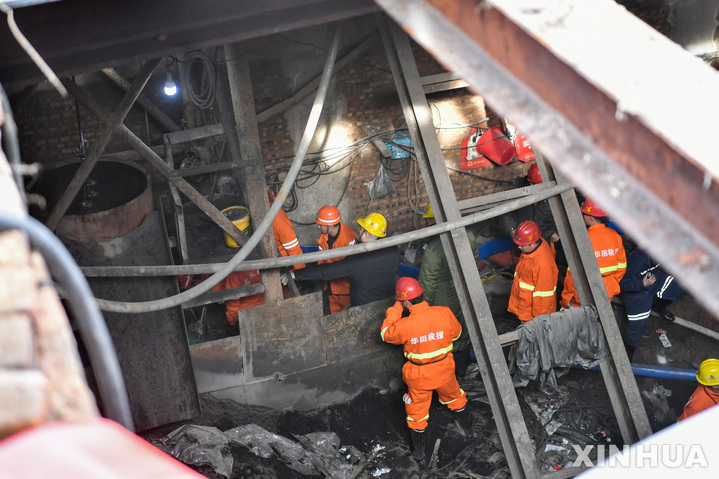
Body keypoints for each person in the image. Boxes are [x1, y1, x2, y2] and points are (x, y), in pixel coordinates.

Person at [380, 277, 472, 462]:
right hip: (445, 370)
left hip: (420, 376)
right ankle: (468, 431)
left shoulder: (405, 325)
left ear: (405, 301)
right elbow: (457, 333)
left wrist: (395, 309)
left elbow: (385, 334)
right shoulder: (444, 312)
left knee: (417, 414)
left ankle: (419, 454)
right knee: (456, 397)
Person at [417, 204, 478, 376]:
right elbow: (473, 260)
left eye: (428, 219)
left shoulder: (434, 249)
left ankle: (447, 374)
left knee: (445, 330)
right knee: (462, 326)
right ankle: (461, 370)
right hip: (464, 288)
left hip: (442, 296)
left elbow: (427, 283)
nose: (426, 223)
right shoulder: (468, 235)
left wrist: (422, 308)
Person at [293, 212, 399, 307]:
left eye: (361, 228)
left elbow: (327, 271)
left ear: (366, 236)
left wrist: (296, 274)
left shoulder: (357, 260)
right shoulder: (393, 251)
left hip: (363, 307)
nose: (358, 229)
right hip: (388, 303)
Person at [620, 245, 684, 360]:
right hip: (637, 290)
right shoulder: (639, 260)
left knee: (678, 289)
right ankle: (627, 358)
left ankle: (658, 306)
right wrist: (642, 284)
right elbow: (622, 284)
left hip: (656, 278)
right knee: (637, 328)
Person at [560, 198, 626, 309]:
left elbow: (573, 274)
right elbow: (622, 267)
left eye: (584, 214)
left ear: (591, 218)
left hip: (582, 293)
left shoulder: (583, 238)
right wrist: (611, 284)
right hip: (606, 291)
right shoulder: (615, 236)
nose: (583, 216)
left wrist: (566, 298)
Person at [508, 220, 559, 322]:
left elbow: (543, 297)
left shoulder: (543, 264)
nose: (519, 247)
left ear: (533, 243)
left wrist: (539, 323)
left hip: (532, 317)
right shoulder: (535, 247)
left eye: (522, 245)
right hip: (525, 310)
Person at [315, 205, 357, 314]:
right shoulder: (325, 234)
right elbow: (321, 257)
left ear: (330, 226)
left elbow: (353, 269)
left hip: (345, 291)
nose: (318, 226)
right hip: (329, 287)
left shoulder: (349, 239)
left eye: (320, 225)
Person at [269, 192, 304, 269]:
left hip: (284, 265)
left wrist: (300, 273)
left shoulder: (278, 219)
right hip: (275, 262)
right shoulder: (274, 217)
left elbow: (294, 250)